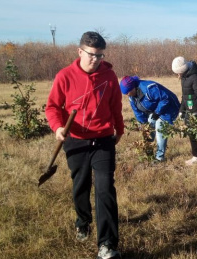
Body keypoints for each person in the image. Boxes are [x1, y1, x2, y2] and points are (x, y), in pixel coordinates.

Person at [45, 31, 124, 259]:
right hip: (75, 140)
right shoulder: (65, 76)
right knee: (80, 184)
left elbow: (115, 105)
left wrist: (119, 128)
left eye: (100, 56)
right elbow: (52, 107)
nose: (95, 60)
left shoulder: (109, 76)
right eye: (91, 55)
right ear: (80, 51)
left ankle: (107, 245)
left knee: (105, 188)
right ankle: (83, 221)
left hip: (103, 139)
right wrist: (58, 127)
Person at [119, 75, 180, 162]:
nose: (126, 94)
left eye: (127, 92)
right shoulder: (131, 97)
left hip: (170, 107)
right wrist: (143, 125)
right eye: (125, 93)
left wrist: (157, 112)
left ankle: (160, 157)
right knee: (149, 128)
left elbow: (165, 99)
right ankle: (149, 152)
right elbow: (138, 112)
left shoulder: (149, 88)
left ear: (133, 88)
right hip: (156, 110)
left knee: (160, 129)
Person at [171, 56, 197, 166]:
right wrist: (181, 110)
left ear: (182, 70)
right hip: (189, 112)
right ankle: (195, 157)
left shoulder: (195, 78)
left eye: (178, 72)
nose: (177, 75)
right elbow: (185, 96)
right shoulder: (185, 78)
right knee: (191, 134)